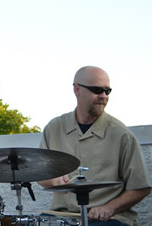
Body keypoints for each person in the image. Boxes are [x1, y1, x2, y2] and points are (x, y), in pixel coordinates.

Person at [38, 66, 151, 226]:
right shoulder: (53, 128)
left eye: (107, 91)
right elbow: (40, 175)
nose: (104, 96)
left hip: (109, 219)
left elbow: (141, 187)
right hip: (62, 215)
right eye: (97, 90)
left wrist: (109, 208)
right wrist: (53, 181)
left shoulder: (122, 135)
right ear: (77, 90)